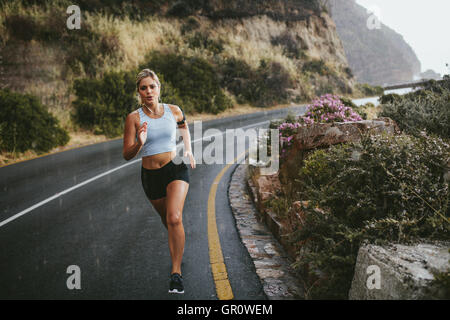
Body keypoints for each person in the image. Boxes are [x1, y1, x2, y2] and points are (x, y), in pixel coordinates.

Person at [122, 68, 196, 294]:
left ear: (159, 87)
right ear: (139, 92)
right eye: (143, 88)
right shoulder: (134, 118)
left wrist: (189, 150)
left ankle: (176, 273)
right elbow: (126, 154)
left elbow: (183, 125)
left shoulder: (173, 110)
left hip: (175, 168)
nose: (148, 91)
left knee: (174, 217)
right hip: (150, 176)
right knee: (168, 220)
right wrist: (140, 143)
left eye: (152, 86)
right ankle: (178, 243)